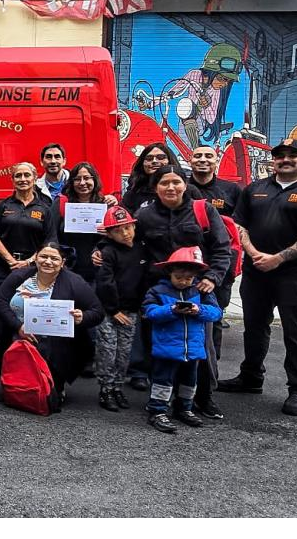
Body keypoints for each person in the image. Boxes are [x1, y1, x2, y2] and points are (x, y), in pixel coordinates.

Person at [218, 138, 297, 417]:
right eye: (280, 156)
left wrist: (279, 258)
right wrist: (254, 253)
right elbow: (239, 224)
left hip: (295, 272)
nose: (285, 159)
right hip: (256, 270)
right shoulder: (256, 189)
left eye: (293, 155)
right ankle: (250, 377)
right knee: (254, 326)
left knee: (296, 330)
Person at [127, 165, 232, 418]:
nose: (171, 187)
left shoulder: (202, 210)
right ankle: (161, 402)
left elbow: (222, 247)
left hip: (198, 289)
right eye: (164, 183)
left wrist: (212, 278)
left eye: (176, 182)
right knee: (160, 347)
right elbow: (129, 244)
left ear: (185, 185)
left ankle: (204, 398)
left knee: (202, 349)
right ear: (155, 188)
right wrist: (102, 248)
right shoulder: (145, 216)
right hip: (160, 291)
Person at [0, 241, 104, 408]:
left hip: (57, 342)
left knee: (47, 395)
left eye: (54, 258)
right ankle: (17, 386)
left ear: (62, 263)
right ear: (35, 258)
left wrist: (82, 317)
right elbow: (0, 301)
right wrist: (18, 326)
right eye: (43, 256)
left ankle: (53, 384)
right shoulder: (20, 276)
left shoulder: (75, 281)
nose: (48, 261)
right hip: (19, 333)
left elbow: (97, 312)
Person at [141, 247, 223, 433]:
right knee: (162, 380)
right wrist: (171, 310)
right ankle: (157, 410)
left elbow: (217, 313)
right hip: (166, 348)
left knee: (189, 381)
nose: (183, 282)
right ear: (170, 272)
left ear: (195, 275)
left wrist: (198, 310)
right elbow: (149, 312)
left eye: (188, 278)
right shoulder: (157, 291)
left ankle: (184, 407)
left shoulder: (201, 291)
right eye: (179, 277)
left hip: (193, 349)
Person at [187, 145, 243, 414]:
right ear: (190, 159)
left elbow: (234, 236)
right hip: (185, 275)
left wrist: (219, 274)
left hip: (216, 275)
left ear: (216, 160)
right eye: (198, 155)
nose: (203, 160)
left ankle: (210, 380)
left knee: (212, 326)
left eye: (208, 156)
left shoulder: (231, 191)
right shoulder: (180, 186)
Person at [92, 206, 149, 412]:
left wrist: (139, 306)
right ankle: (105, 389)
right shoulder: (107, 252)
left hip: (131, 310)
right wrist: (114, 309)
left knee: (124, 352)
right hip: (110, 311)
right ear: (109, 233)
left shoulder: (142, 249)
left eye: (127, 228)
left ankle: (117, 387)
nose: (124, 233)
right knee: (107, 350)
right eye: (117, 230)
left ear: (134, 226)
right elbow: (105, 283)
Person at [0, 162, 57, 293]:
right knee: (0, 305)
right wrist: (11, 261)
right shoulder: (2, 206)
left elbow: (49, 241)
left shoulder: (45, 209)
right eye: (18, 176)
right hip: (3, 268)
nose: (23, 179)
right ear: (12, 180)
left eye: (27, 175)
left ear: (35, 178)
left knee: (30, 306)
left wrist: (29, 262)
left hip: (33, 268)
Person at [51, 161, 107, 283]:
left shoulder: (105, 204)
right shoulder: (61, 203)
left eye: (86, 178)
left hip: (97, 269)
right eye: (77, 179)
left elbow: (116, 237)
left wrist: (107, 235)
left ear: (95, 180)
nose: (82, 183)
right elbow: (51, 236)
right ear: (71, 182)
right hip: (67, 268)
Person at [122, 142, 181, 212]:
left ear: (170, 161)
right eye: (149, 158)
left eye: (160, 157)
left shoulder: (186, 190)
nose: (154, 161)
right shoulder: (132, 194)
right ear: (142, 164)